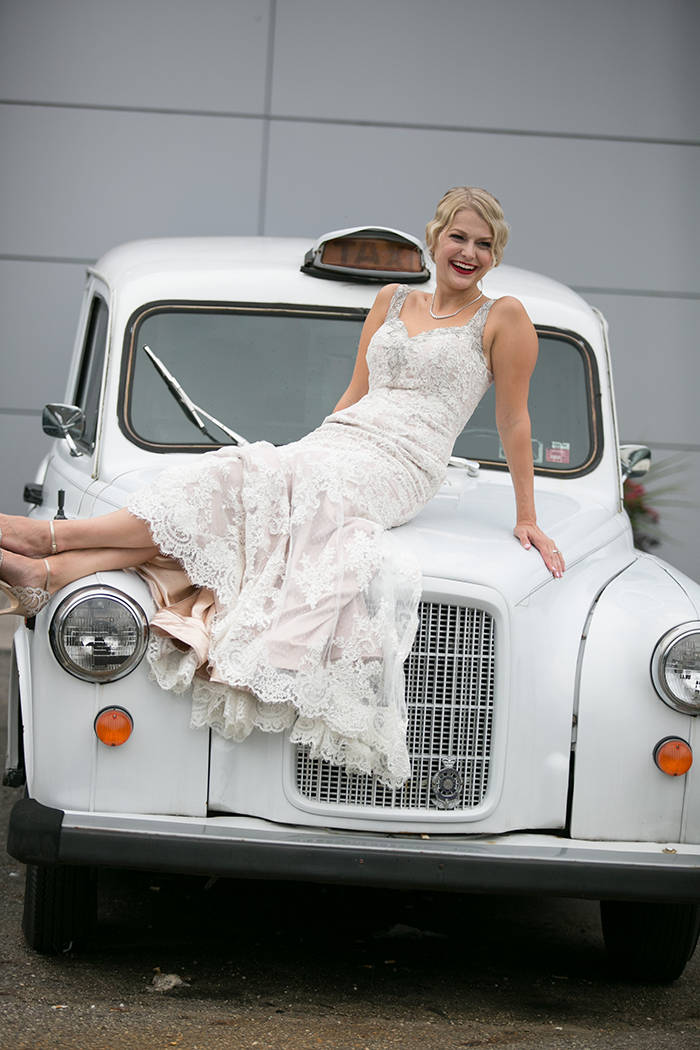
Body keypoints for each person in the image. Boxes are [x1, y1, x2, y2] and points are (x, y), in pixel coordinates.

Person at [0, 187, 564, 787]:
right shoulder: (392, 299)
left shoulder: (504, 318)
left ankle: (47, 538)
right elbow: (355, 393)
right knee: (237, 477)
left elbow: (514, 420)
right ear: (435, 237)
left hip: (403, 463)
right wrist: (303, 456)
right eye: (459, 236)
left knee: (251, 487)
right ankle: (49, 573)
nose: (469, 252)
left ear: (495, 254)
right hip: (340, 441)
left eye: (484, 243)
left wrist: (526, 514)